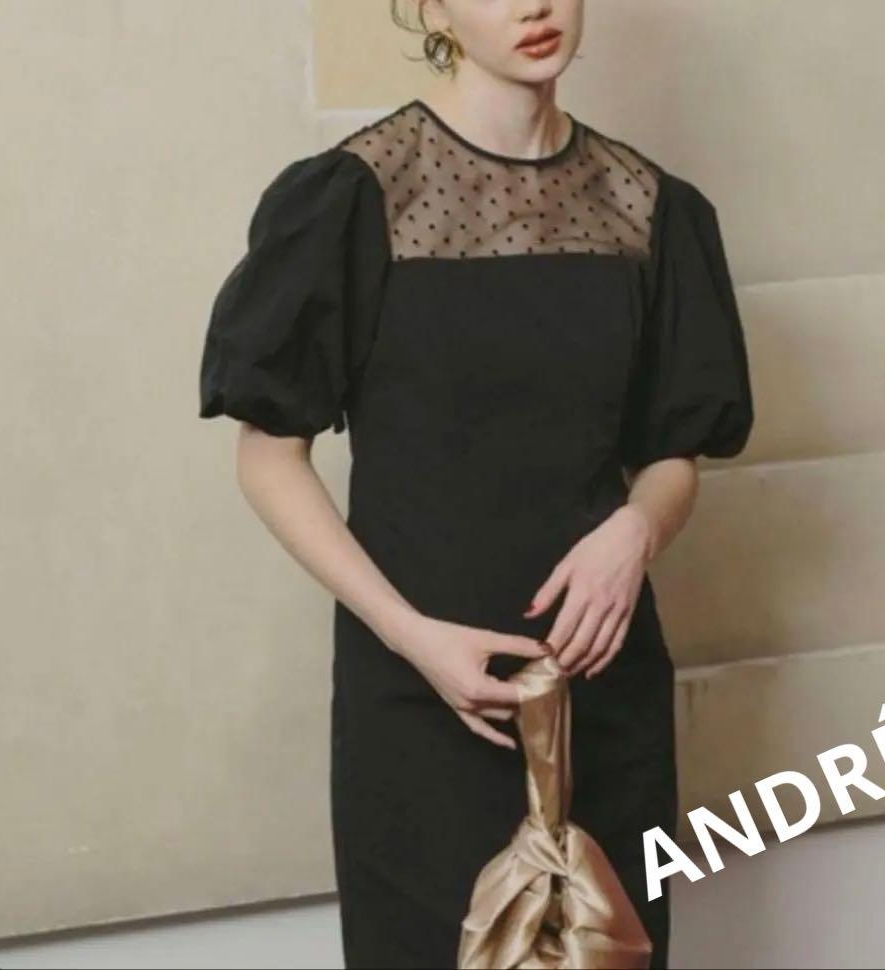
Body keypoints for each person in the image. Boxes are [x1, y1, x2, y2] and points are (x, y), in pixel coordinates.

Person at [198, 1, 754, 966]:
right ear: (435, 7)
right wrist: (412, 637)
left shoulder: (650, 206)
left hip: (600, 683)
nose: (533, 5)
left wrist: (636, 532)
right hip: (426, 694)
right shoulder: (356, 196)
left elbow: (673, 454)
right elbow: (267, 455)